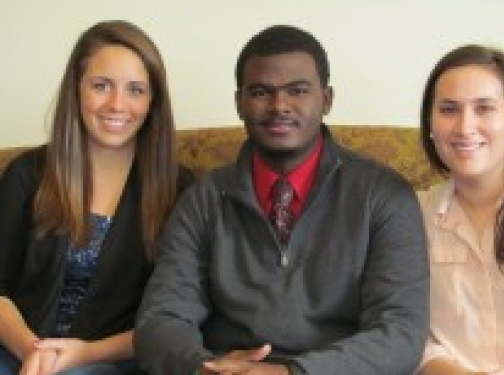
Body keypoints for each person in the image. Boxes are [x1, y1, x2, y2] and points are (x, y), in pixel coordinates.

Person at [135, 24, 429, 375]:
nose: (279, 106)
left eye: (298, 91)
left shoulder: (384, 196)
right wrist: (203, 367)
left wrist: (293, 373)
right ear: (239, 102)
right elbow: (160, 319)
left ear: (328, 98)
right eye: (260, 92)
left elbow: (399, 335)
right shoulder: (203, 199)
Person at [0, 20, 194, 375]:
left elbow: (180, 316)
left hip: (115, 360)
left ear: (153, 102)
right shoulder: (26, 174)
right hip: (19, 347)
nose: (117, 104)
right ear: (76, 89)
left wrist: (83, 354)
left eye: (136, 90)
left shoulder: (182, 190)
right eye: (101, 86)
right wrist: (33, 350)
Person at [416, 44, 504, 375]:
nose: (465, 127)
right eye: (449, 109)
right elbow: (407, 332)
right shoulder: (410, 214)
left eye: (484, 108)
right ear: (430, 124)